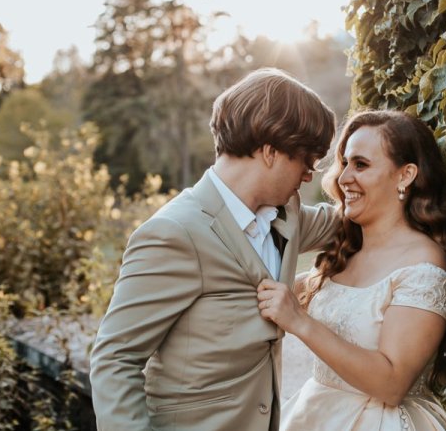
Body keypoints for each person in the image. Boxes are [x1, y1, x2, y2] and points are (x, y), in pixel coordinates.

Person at [89, 68, 340, 431]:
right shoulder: (173, 233)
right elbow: (115, 359)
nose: (308, 176)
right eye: (307, 162)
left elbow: (353, 222)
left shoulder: (289, 215)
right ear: (270, 152)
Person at [257, 110, 446, 430]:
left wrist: (300, 322)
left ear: (405, 175)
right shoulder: (346, 251)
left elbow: (392, 383)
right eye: (344, 164)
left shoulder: (424, 264)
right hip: (313, 415)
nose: (343, 178)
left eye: (361, 164)